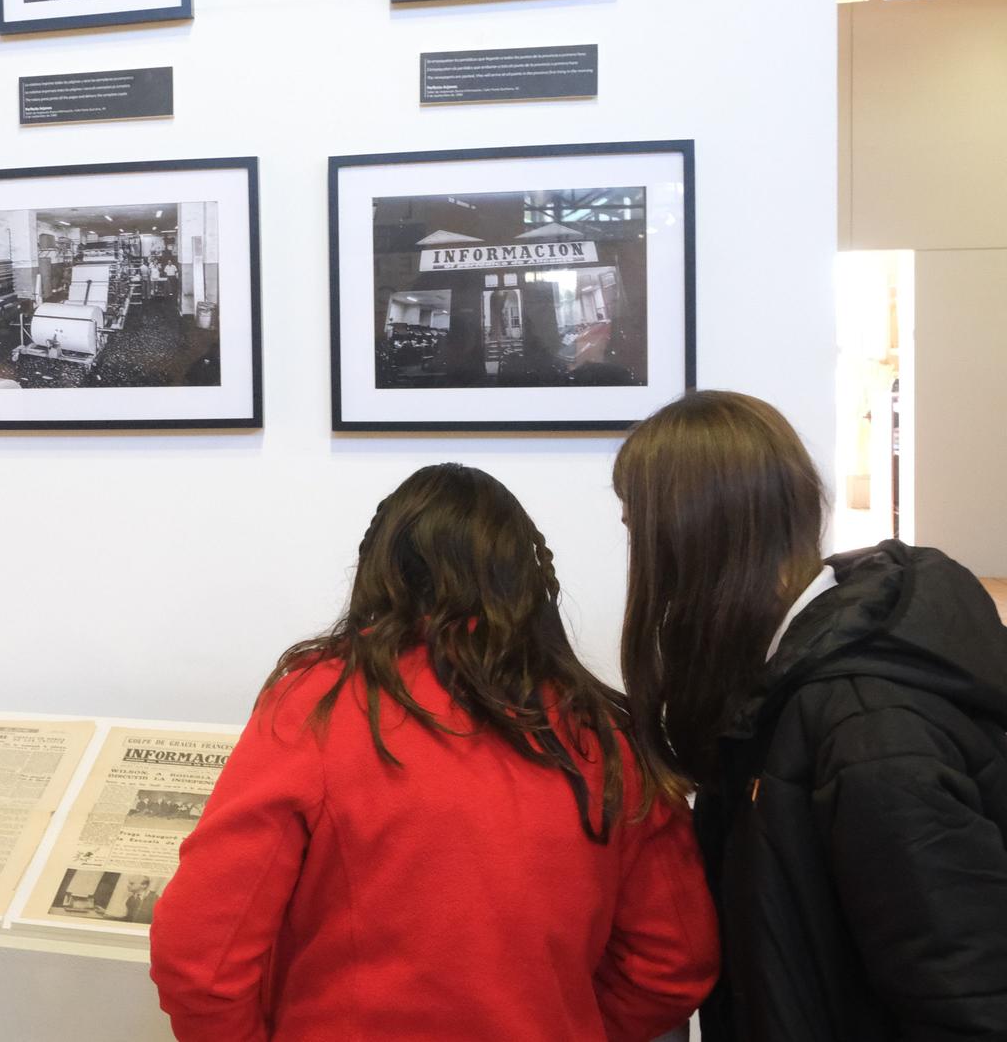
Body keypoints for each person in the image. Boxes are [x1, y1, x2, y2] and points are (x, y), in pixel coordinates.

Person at [150, 463, 717, 1042]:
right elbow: (672, 964)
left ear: (382, 567)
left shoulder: (319, 702)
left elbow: (201, 956)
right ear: (525, 576)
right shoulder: (604, 730)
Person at [613, 390, 1007, 1042]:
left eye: (638, 532)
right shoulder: (777, 693)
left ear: (689, 538)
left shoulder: (869, 733)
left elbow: (969, 1006)